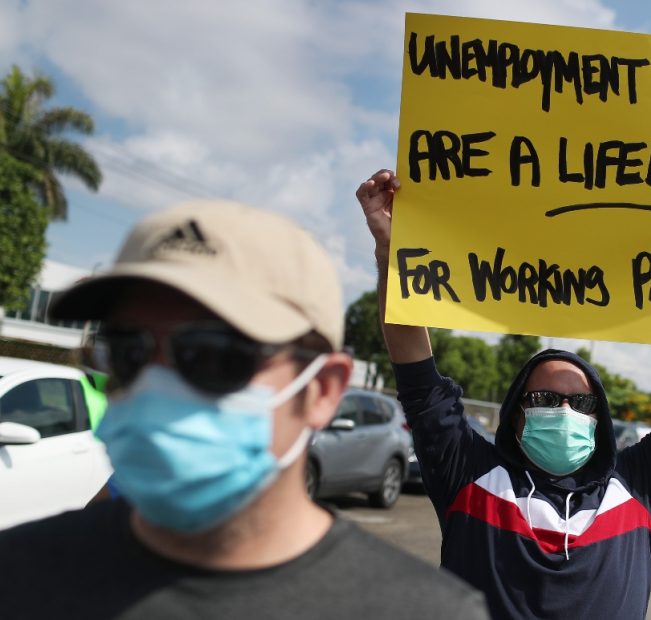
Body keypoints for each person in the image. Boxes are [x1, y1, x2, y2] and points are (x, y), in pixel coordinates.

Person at [356, 169, 651, 619]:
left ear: (598, 418)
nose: (564, 411)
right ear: (516, 414)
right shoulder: (469, 474)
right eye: (545, 400)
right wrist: (391, 254)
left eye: (580, 403)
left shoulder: (639, 484)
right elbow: (419, 381)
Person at [0, 199, 488, 620]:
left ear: (322, 390)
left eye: (212, 355)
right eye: (127, 352)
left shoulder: (423, 610)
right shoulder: (20, 573)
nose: (154, 384)